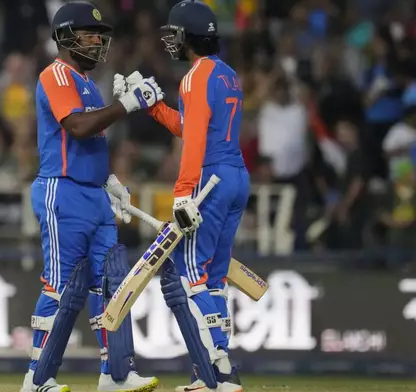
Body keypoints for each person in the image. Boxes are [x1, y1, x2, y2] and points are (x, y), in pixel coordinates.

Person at [20, 2, 164, 392]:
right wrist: (127, 105)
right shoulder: (57, 74)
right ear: (66, 37)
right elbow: (78, 127)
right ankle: (36, 379)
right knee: (61, 286)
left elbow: (90, 140)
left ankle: (115, 373)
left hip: (93, 194)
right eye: (90, 35)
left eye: (101, 36)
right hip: (62, 191)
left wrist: (109, 178)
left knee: (111, 285)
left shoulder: (85, 82)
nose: (98, 42)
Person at [114, 1, 247, 391]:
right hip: (236, 176)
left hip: (209, 179)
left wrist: (182, 192)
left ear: (188, 36)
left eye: (175, 33)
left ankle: (217, 375)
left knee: (192, 278)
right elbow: (190, 126)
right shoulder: (227, 74)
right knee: (215, 280)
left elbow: (193, 143)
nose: (171, 41)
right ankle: (214, 372)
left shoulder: (193, 77)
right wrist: (153, 106)